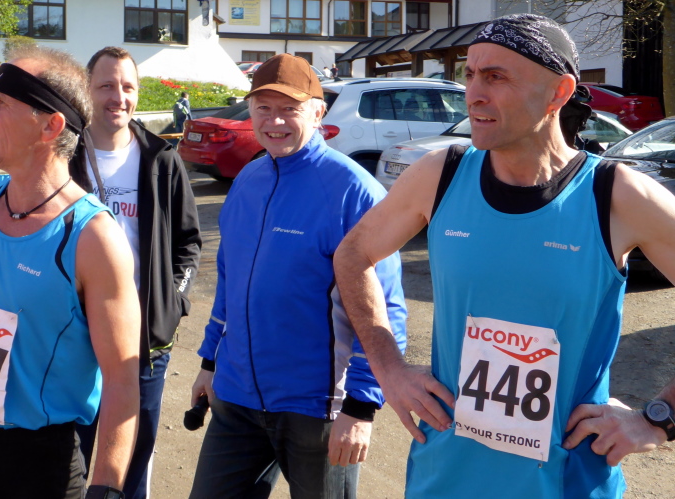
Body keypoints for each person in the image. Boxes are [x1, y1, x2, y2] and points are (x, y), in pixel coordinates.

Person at [333, 14, 675, 498]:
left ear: (559, 92)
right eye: (470, 74)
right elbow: (353, 255)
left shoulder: (614, 193)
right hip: (444, 477)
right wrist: (388, 367)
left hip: (564, 481)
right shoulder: (440, 174)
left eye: (496, 77)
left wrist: (659, 418)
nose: (473, 93)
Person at [0, 45, 140, 499]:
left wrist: (107, 489)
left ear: (50, 126)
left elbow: (122, 383)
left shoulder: (93, 239)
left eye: (0, 103)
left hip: (37, 466)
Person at [188, 53, 407, 498]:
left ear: (318, 112)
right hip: (236, 398)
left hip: (317, 409)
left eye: (289, 108)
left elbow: (386, 307)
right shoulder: (248, 181)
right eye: (263, 108)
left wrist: (361, 406)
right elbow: (229, 282)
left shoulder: (353, 190)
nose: (274, 121)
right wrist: (209, 363)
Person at [70, 46, 202, 499]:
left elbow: (189, 242)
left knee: (131, 457)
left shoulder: (161, 160)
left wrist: (173, 300)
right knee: (69, 454)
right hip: (71, 335)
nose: (118, 97)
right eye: (106, 85)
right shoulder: (64, 156)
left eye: (127, 87)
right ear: (87, 90)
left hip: (143, 340)